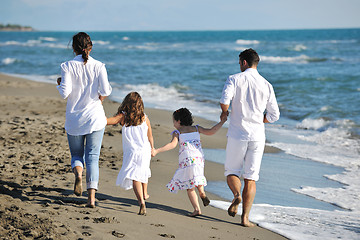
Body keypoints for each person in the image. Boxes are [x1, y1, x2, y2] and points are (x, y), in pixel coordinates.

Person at [220, 48, 280, 226]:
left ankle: (237, 196)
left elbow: (225, 100)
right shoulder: (266, 84)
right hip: (257, 135)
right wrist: (258, 120)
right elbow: (274, 115)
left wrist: (224, 113)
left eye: (239, 62)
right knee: (251, 178)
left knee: (231, 171)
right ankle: (245, 218)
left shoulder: (234, 79)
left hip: (238, 134)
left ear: (244, 62)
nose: (239, 65)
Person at [57, 32, 112, 208]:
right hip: (95, 118)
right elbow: (106, 91)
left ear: (73, 48)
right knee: (93, 158)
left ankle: (78, 175)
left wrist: (58, 83)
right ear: (91, 47)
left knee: (76, 155)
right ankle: (91, 199)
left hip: (74, 120)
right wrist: (99, 98)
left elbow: (64, 93)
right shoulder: (99, 66)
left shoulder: (66, 66)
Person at [152, 108, 227, 217]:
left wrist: (157, 150)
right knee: (197, 176)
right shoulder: (196, 128)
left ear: (178, 121)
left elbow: (172, 145)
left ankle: (197, 209)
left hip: (187, 160)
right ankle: (202, 192)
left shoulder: (177, 132)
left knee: (190, 187)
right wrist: (222, 121)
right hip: (199, 158)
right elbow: (211, 131)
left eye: (173, 121)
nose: (173, 124)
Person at [107, 92, 154, 215]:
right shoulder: (145, 118)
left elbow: (111, 121)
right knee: (143, 171)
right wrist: (153, 148)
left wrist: (100, 119)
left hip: (132, 152)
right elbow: (150, 136)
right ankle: (145, 192)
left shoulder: (124, 117)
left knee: (135, 177)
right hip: (145, 150)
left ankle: (141, 203)